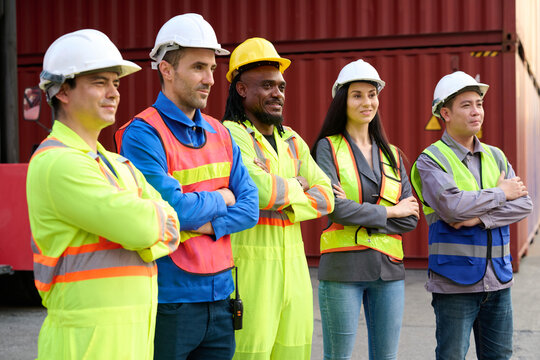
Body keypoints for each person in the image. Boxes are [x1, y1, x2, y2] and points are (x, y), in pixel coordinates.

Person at [26, 29, 181, 360]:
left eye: (116, 83)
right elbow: (144, 227)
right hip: (83, 347)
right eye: (100, 82)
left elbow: (172, 223)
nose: (113, 93)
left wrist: (156, 221)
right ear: (62, 91)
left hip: (130, 343)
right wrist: (152, 223)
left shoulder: (116, 162)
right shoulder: (57, 163)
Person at [115, 14, 259, 360]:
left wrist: (204, 221)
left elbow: (251, 207)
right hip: (171, 300)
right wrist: (224, 198)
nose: (210, 79)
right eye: (198, 67)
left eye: (211, 68)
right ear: (166, 69)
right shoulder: (142, 134)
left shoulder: (220, 132)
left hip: (222, 295)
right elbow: (171, 211)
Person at [222, 37, 334, 360]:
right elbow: (259, 191)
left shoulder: (293, 141)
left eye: (281, 87)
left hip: (296, 279)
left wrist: (280, 192)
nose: (278, 94)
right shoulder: (230, 134)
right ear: (242, 89)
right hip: (250, 276)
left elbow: (327, 198)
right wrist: (298, 186)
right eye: (268, 85)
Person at [410, 71, 533, 360]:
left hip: (498, 280)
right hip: (454, 282)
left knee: (500, 356)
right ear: (445, 113)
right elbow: (452, 207)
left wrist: (478, 218)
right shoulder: (430, 160)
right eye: (466, 105)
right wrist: (501, 193)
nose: (476, 111)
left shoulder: (496, 156)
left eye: (479, 103)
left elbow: (525, 204)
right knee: (452, 356)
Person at [311, 59, 419, 360]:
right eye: (357, 95)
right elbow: (335, 209)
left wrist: (359, 209)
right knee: (339, 356)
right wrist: (389, 212)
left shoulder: (394, 155)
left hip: (389, 271)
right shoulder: (327, 148)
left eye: (372, 94)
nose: (366, 102)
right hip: (343, 269)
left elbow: (410, 218)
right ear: (342, 100)